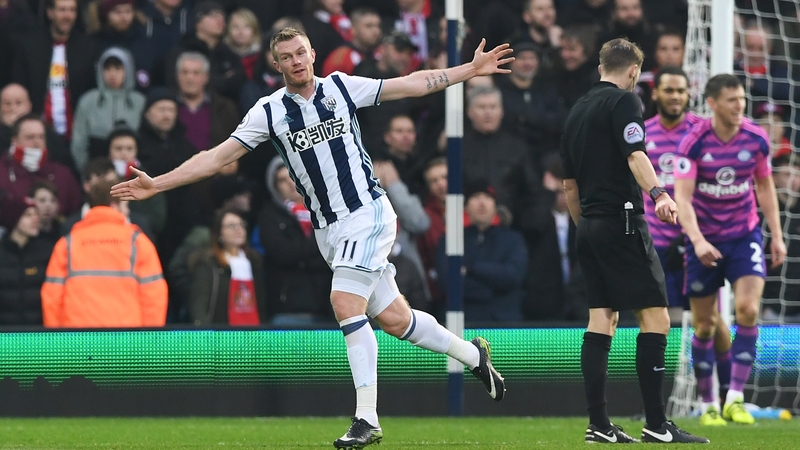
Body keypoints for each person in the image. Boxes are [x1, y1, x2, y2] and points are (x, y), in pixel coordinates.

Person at [111, 26, 513, 449]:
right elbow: (216, 157)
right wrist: (158, 184)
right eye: (286, 57)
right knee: (395, 320)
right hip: (329, 231)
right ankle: (474, 356)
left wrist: (468, 70)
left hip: (368, 212)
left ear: (313, 53)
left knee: (344, 302)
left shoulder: (341, 87)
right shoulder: (268, 112)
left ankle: (367, 419)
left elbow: (410, 84)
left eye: (301, 53)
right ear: (277, 63)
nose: (296, 61)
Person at [559, 38, 708, 444]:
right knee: (656, 316)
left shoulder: (576, 111)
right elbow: (635, 154)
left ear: (601, 66)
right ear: (634, 72)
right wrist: (659, 193)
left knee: (601, 319)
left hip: (589, 223)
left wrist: (585, 228)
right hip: (622, 220)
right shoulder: (625, 102)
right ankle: (658, 425)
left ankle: (599, 424)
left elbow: (569, 186)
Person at [673, 73, 786, 425]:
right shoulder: (692, 142)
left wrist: (777, 236)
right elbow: (683, 198)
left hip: (744, 236)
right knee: (705, 324)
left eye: (742, 100)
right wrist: (698, 240)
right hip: (703, 240)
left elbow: (765, 187)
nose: (740, 106)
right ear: (712, 103)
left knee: (748, 310)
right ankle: (708, 404)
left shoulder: (755, 137)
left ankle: (735, 398)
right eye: (732, 100)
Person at [644, 67, 732, 426]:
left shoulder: (701, 132)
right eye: (669, 90)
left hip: (695, 241)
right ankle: (657, 406)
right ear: (656, 93)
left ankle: (730, 398)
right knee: (655, 323)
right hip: (654, 244)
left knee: (709, 321)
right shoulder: (641, 134)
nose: (676, 96)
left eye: (681, 90)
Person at [41, 178, 167, 328]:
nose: (128, 211)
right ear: (114, 205)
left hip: (77, 340)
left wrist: (57, 341)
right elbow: (154, 296)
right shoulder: (138, 242)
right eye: (125, 205)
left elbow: (52, 297)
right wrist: (149, 341)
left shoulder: (67, 244)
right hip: (126, 339)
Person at [435, 179, 528, 322]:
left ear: (496, 205)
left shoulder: (513, 239)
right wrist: (489, 290)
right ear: (466, 206)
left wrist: (471, 267)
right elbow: (448, 281)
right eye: (476, 197)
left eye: (488, 197)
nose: (482, 203)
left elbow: (512, 276)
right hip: (464, 321)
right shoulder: (450, 240)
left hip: (504, 323)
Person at [70, 47, 146, 172]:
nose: (112, 74)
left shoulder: (139, 101)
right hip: (97, 168)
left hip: (132, 171)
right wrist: (86, 171)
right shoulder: (88, 100)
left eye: (118, 69)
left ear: (128, 70)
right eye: (107, 69)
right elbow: (79, 142)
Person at [187, 207, 267, 325]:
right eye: (231, 226)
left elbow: (261, 305)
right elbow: (198, 306)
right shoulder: (208, 264)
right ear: (219, 234)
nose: (238, 229)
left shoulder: (254, 262)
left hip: (253, 337)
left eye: (241, 224)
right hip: (220, 336)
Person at [0, 198, 55, 326]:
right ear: (13, 219)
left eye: (36, 214)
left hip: (39, 333)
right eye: (28, 215)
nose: (35, 218)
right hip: (5, 334)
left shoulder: (47, 251)